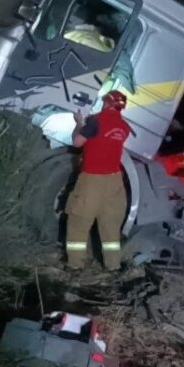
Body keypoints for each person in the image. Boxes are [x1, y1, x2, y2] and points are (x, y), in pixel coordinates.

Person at [65, 90, 130, 271]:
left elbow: (77, 142)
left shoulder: (95, 120)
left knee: (79, 222)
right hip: (115, 182)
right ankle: (113, 266)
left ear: (107, 103)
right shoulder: (124, 127)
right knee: (110, 226)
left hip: (91, 180)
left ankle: (75, 266)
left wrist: (79, 123)